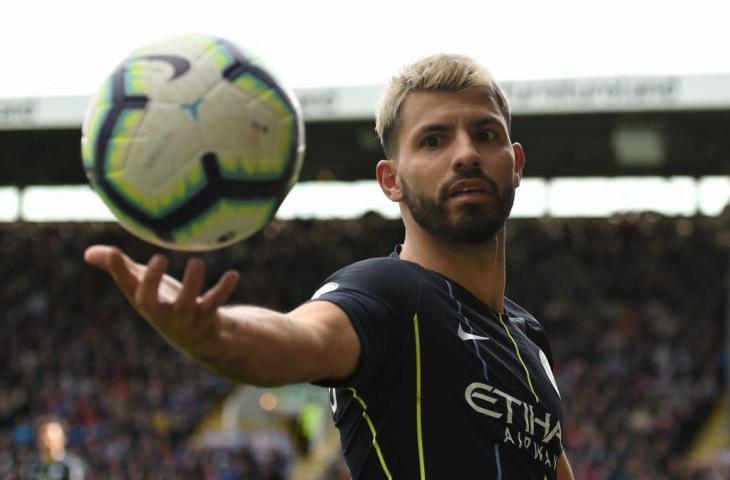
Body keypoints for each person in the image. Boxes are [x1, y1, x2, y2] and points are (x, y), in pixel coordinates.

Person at [85, 53, 575, 479]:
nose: (466, 154)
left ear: (515, 163)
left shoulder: (528, 336)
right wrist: (217, 334)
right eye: (433, 141)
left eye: (484, 134)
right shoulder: (389, 292)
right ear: (391, 181)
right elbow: (301, 337)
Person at [20, 415, 87, 480]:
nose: (48, 435)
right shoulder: (30, 466)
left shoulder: (72, 465)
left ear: (64, 438)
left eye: (53, 431)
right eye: (43, 432)